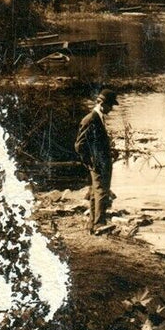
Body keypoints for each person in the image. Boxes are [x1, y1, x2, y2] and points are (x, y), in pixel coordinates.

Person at [74, 88, 118, 233]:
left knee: (95, 192)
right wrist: (90, 161)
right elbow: (79, 145)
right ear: (102, 104)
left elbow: (97, 142)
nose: (111, 109)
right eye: (110, 105)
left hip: (101, 162)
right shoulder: (91, 119)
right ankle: (99, 224)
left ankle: (92, 224)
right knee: (101, 192)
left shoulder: (98, 118)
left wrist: (110, 151)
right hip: (98, 163)